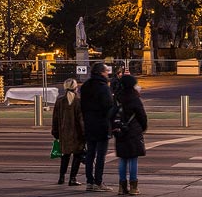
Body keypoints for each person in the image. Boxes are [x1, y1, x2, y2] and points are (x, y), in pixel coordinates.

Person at [80, 62, 114, 192]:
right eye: (106, 71)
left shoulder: (86, 86)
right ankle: (98, 181)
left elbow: (82, 106)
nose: (108, 73)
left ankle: (89, 181)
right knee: (101, 155)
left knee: (90, 154)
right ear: (101, 72)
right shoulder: (103, 87)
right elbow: (108, 106)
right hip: (101, 124)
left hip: (89, 123)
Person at [113, 74, 147, 195]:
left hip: (120, 131)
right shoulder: (134, 98)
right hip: (133, 131)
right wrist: (142, 128)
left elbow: (111, 114)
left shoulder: (117, 98)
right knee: (133, 159)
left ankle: (122, 186)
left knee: (122, 159)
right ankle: (133, 186)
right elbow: (142, 116)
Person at [52, 78, 85, 186]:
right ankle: (72, 178)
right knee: (77, 156)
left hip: (63, 133)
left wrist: (55, 132)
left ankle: (61, 177)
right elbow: (81, 120)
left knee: (65, 156)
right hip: (76, 134)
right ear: (76, 87)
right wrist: (85, 134)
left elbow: (55, 118)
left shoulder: (60, 100)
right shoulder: (78, 101)